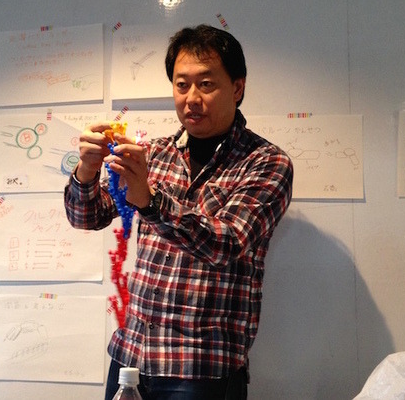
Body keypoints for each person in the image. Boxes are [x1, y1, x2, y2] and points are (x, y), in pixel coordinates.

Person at [64, 24, 293, 400]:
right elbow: (86, 217)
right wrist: (86, 170)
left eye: (206, 84)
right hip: (131, 358)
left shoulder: (266, 162)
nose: (192, 98)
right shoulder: (153, 153)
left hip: (201, 369)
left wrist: (150, 201)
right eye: (181, 85)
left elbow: (226, 243)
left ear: (237, 88)